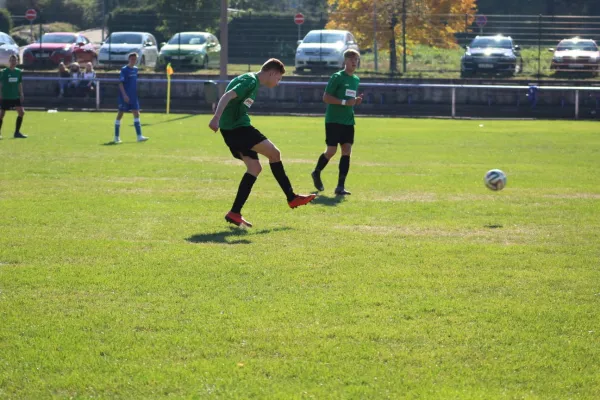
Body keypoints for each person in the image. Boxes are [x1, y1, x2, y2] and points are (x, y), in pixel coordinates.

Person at [208, 58, 316, 228]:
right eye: (278, 78)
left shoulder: (253, 82)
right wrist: (216, 118)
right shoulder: (250, 81)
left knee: (255, 168)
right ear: (271, 72)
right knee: (275, 154)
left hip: (234, 129)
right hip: (238, 129)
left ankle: (234, 213)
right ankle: (291, 197)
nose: (278, 83)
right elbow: (227, 95)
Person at [310, 49, 363, 195]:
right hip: (334, 120)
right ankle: (316, 172)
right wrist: (346, 102)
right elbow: (326, 97)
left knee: (346, 151)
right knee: (331, 151)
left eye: (356, 59)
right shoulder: (337, 77)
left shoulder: (356, 80)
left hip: (348, 121)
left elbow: (349, 99)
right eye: (351, 59)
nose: (354, 62)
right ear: (345, 61)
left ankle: (340, 186)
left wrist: (355, 101)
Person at [114, 52, 148, 143]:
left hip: (133, 96)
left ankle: (139, 136)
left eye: (135, 59)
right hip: (124, 96)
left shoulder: (136, 69)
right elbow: (120, 83)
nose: (133, 61)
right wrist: (124, 95)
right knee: (120, 114)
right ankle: (116, 137)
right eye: (132, 59)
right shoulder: (124, 70)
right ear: (129, 59)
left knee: (137, 113)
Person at [0, 54, 27, 139]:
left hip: (15, 96)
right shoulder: (3, 72)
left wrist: (21, 93)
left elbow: (19, 83)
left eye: (14, 60)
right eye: (11, 60)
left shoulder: (18, 72)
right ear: (9, 61)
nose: (13, 62)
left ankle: (17, 132)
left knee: (21, 112)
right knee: (1, 115)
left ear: (17, 62)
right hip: (6, 96)